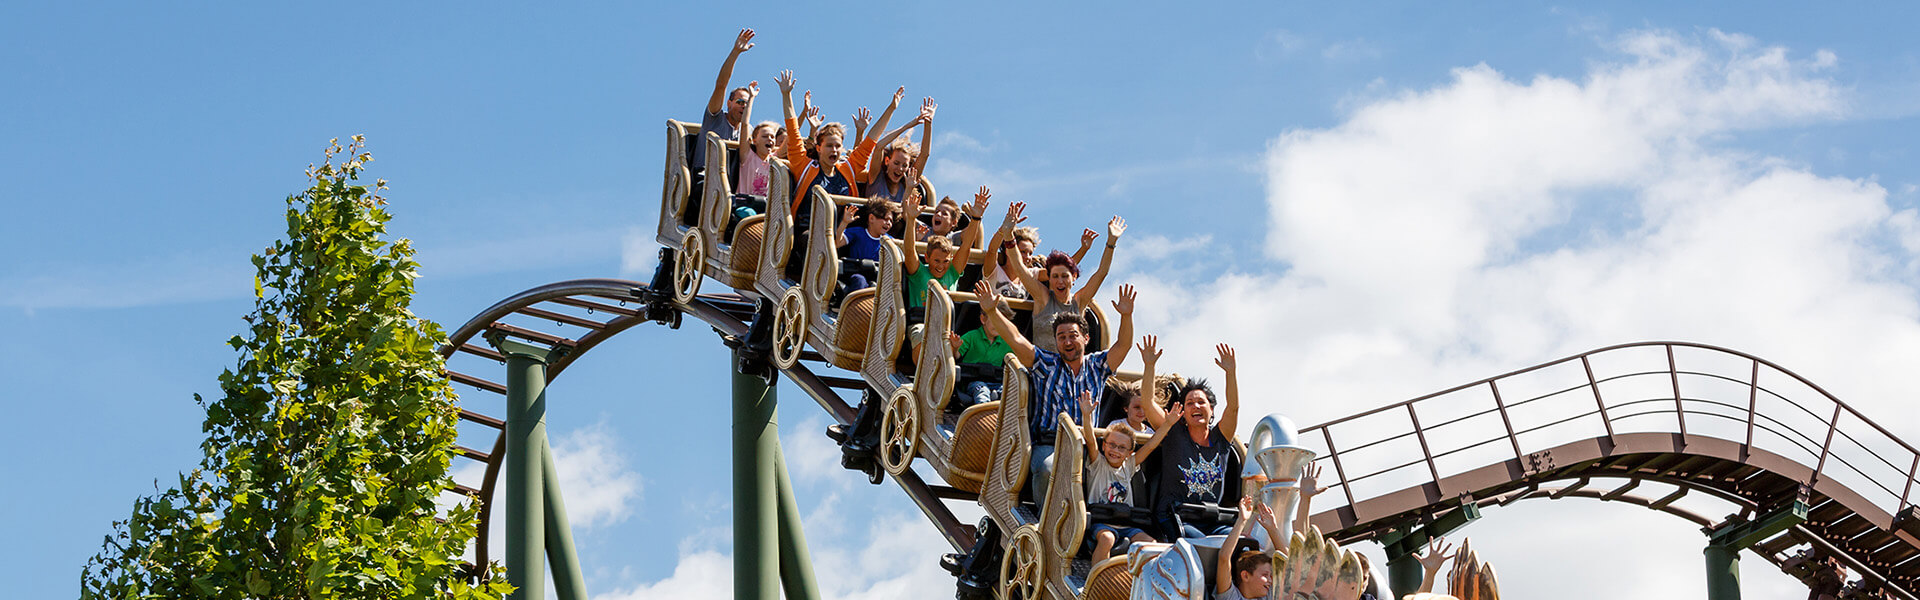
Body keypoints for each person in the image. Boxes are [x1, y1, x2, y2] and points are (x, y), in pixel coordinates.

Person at [973, 279, 1135, 504]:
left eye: (1072, 336)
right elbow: (1016, 338)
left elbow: (1123, 345)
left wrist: (1126, 316)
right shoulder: (1046, 364)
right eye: (1061, 337)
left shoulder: (1097, 365)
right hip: (1049, 443)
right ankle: (1045, 522)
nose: (1068, 341)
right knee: (1048, 469)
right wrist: (991, 311)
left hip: (1087, 445)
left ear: (1085, 339)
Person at [1142, 344, 1244, 539]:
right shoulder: (1174, 432)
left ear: (1211, 409)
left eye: (1201, 402)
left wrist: (1231, 372)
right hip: (1176, 517)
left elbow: (1233, 408)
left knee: (1238, 543)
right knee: (1201, 544)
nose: (1195, 406)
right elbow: (1148, 404)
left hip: (1211, 519)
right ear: (1183, 412)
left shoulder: (1221, 438)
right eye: (1189, 403)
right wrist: (1149, 366)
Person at [1003, 209, 1125, 353]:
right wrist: (1008, 234)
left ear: (1073, 278)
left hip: (1071, 369)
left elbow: (1101, 273)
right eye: (1055, 276)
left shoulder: (1079, 302)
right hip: (1044, 369)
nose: (1059, 281)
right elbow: (1018, 266)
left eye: (1064, 276)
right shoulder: (1042, 297)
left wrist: (1111, 243)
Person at [1079, 390, 1172, 560]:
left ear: (1129, 453)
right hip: (1101, 523)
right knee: (1107, 538)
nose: (1115, 450)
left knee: (1152, 544)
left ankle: (1142, 583)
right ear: (1104, 446)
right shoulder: (1098, 463)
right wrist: (1086, 416)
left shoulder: (1129, 465)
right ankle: (1097, 582)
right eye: (1112, 445)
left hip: (1126, 523)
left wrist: (1168, 424)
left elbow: (1150, 445)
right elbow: (1091, 440)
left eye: (1121, 448)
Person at [903, 185, 986, 356]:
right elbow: (910, 249)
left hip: (946, 325)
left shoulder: (951, 273)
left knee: (955, 341)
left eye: (945, 262)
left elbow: (965, 247)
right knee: (922, 335)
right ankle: (923, 374)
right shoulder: (919, 272)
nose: (941, 266)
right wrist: (911, 220)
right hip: (921, 324)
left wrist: (976, 218)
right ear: (927, 258)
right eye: (937, 261)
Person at [692, 29, 755, 171]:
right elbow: (721, 85)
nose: (743, 106)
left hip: (731, 185)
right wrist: (736, 52)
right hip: (705, 177)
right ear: (729, 103)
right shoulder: (714, 118)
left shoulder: (748, 131)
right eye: (739, 102)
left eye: (746, 103)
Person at [863, 96, 937, 205]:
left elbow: (925, 154)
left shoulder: (907, 182)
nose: (900, 169)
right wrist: (906, 126)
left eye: (904, 165)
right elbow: (879, 147)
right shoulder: (876, 177)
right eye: (896, 163)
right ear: (887, 161)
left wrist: (928, 123)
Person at [947, 301, 1015, 411]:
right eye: (994, 320)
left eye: (1002, 321)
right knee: (982, 391)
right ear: (983, 319)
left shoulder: (1006, 342)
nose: (998, 325)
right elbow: (956, 356)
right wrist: (955, 347)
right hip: (973, 382)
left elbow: (1016, 360)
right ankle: (983, 417)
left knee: (1007, 392)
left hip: (996, 382)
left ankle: (1001, 420)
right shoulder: (971, 336)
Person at [1215, 495, 1284, 600]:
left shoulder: (1267, 596)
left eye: (1270, 576)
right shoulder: (1231, 597)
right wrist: (1242, 520)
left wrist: (1273, 529)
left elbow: (1288, 564)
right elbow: (1224, 557)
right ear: (1245, 576)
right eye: (1265, 575)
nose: (1270, 580)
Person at [835, 198, 895, 294]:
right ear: (871, 218)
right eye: (885, 219)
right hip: (855, 273)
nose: (888, 223)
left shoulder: (890, 241)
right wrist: (844, 223)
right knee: (860, 281)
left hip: (877, 276)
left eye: (891, 221)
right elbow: (837, 243)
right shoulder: (858, 232)